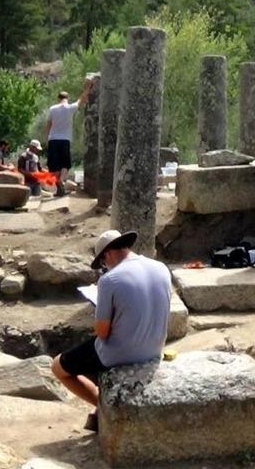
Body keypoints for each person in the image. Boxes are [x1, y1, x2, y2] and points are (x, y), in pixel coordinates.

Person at [51, 229, 171, 431]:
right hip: (155, 348)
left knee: (58, 367)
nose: (104, 269)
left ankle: (102, 405)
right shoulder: (161, 267)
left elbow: (102, 332)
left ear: (107, 254)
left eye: (102, 265)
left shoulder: (109, 280)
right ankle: (101, 407)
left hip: (120, 354)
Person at [46, 79, 93, 197]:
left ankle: (58, 184)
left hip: (53, 139)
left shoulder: (52, 109)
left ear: (58, 98)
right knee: (65, 164)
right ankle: (61, 180)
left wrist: (46, 137)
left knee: (54, 165)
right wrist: (87, 88)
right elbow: (81, 99)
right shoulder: (70, 108)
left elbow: (49, 124)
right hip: (65, 139)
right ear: (67, 98)